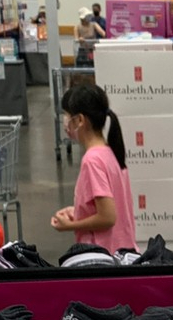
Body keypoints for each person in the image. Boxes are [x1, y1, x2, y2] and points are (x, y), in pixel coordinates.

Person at [51, 82, 137, 253]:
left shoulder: (92, 161)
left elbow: (108, 217)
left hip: (103, 255)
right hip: (122, 251)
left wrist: (70, 225)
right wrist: (79, 212)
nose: (65, 122)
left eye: (67, 116)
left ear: (80, 120)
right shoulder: (110, 152)